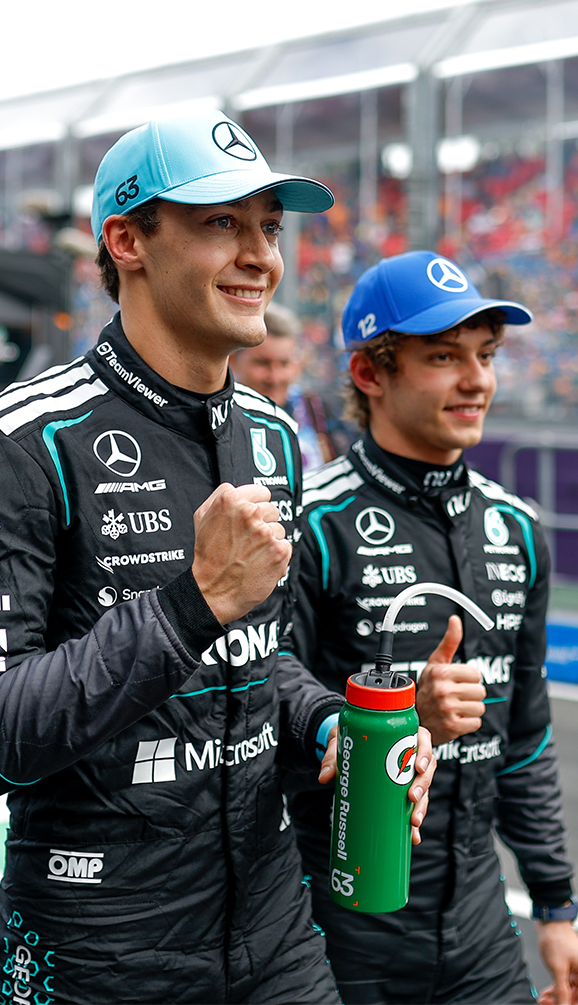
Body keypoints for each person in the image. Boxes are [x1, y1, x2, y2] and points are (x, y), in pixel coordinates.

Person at [0, 112, 434, 1005]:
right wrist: (188, 603)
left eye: (268, 226)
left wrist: (326, 727)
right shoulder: (16, 444)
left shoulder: (273, 438)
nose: (260, 255)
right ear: (126, 241)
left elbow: (257, 663)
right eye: (220, 222)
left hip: (275, 938)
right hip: (97, 956)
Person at [286, 250, 578, 1005]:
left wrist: (554, 903)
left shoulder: (517, 529)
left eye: (484, 355)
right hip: (339, 918)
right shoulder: (311, 523)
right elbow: (261, 713)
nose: (477, 379)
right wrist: (394, 715)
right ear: (370, 374)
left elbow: (526, 738)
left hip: (480, 923)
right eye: (443, 356)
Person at [230, 302, 356, 471]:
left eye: (284, 364)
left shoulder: (317, 411)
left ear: (297, 365)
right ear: (233, 361)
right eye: (262, 363)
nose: (275, 377)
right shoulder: (220, 419)